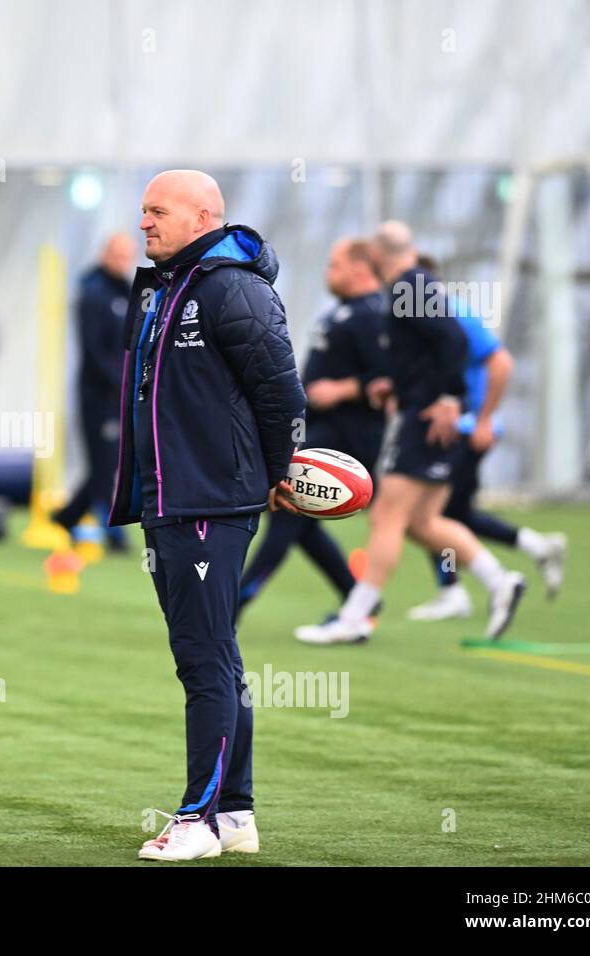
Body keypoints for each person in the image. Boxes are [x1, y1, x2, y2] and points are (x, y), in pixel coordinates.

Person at [107, 170, 304, 861]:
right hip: (171, 497)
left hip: (210, 500)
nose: (144, 223)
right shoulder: (167, 287)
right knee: (216, 651)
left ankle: (199, 819)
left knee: (203, 659)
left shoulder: (233, 289)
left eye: (156, 211)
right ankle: (237, 812)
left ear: (202, 214)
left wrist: (282, 471)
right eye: (142, 211)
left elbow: (280, 390)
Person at [294, 222, 527, 645]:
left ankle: (355, 616)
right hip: (428, 413)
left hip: (428, 422)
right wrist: (393, 386)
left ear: (377, 256)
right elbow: (427, 353)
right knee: (423, 522)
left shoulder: (408, 286)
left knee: (386, 516)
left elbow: (453, 340)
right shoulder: (412, 287)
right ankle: (500, 581)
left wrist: (450, 398)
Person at [407, 254, 565, 621]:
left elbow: (501, 362)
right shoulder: (420, 321)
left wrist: (483, 420)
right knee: (452, 514)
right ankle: (534, 547)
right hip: (446, 431)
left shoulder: (452, 312)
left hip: (461, 432)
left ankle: (474, 587)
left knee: (428, 516)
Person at [238, 238, 388, 616]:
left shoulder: (374, 315)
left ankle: (236, 600)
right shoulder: (343, 312)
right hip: (320, 430)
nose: (327, 273)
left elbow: (390, 375)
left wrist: (342, 389)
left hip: (348, 437)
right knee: (300, 519)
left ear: (359, 268)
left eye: (334, 265)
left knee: (288, 512)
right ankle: (358, 600)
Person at [52, 233, 137, 552]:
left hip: (122, 394)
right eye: (116, 255)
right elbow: (93, 350)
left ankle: (68, 517)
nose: (121, 262)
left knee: (112, 462)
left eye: (126, 256)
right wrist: (120, 381)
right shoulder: (92, 293)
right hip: (98, 395)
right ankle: (110, 530)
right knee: (105, 464)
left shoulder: (129, 292)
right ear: (105, 253)